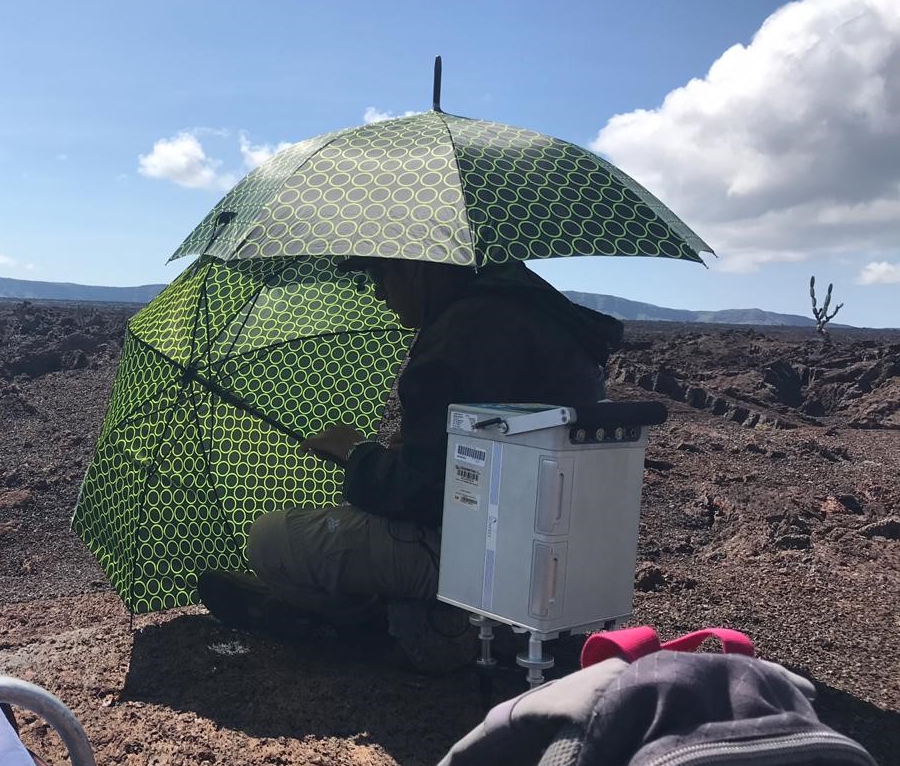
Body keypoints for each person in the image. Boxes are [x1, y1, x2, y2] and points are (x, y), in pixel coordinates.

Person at [197, 256, 624, 672]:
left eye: (379, 274)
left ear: (416, 267)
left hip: (483, 557)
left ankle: (381, 624)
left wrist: (356, 453)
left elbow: (419, 495)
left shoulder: (461, 334)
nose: (378, 291)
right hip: (556, 557)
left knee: (271, 538)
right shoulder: (531, 310)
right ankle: (370, 610)